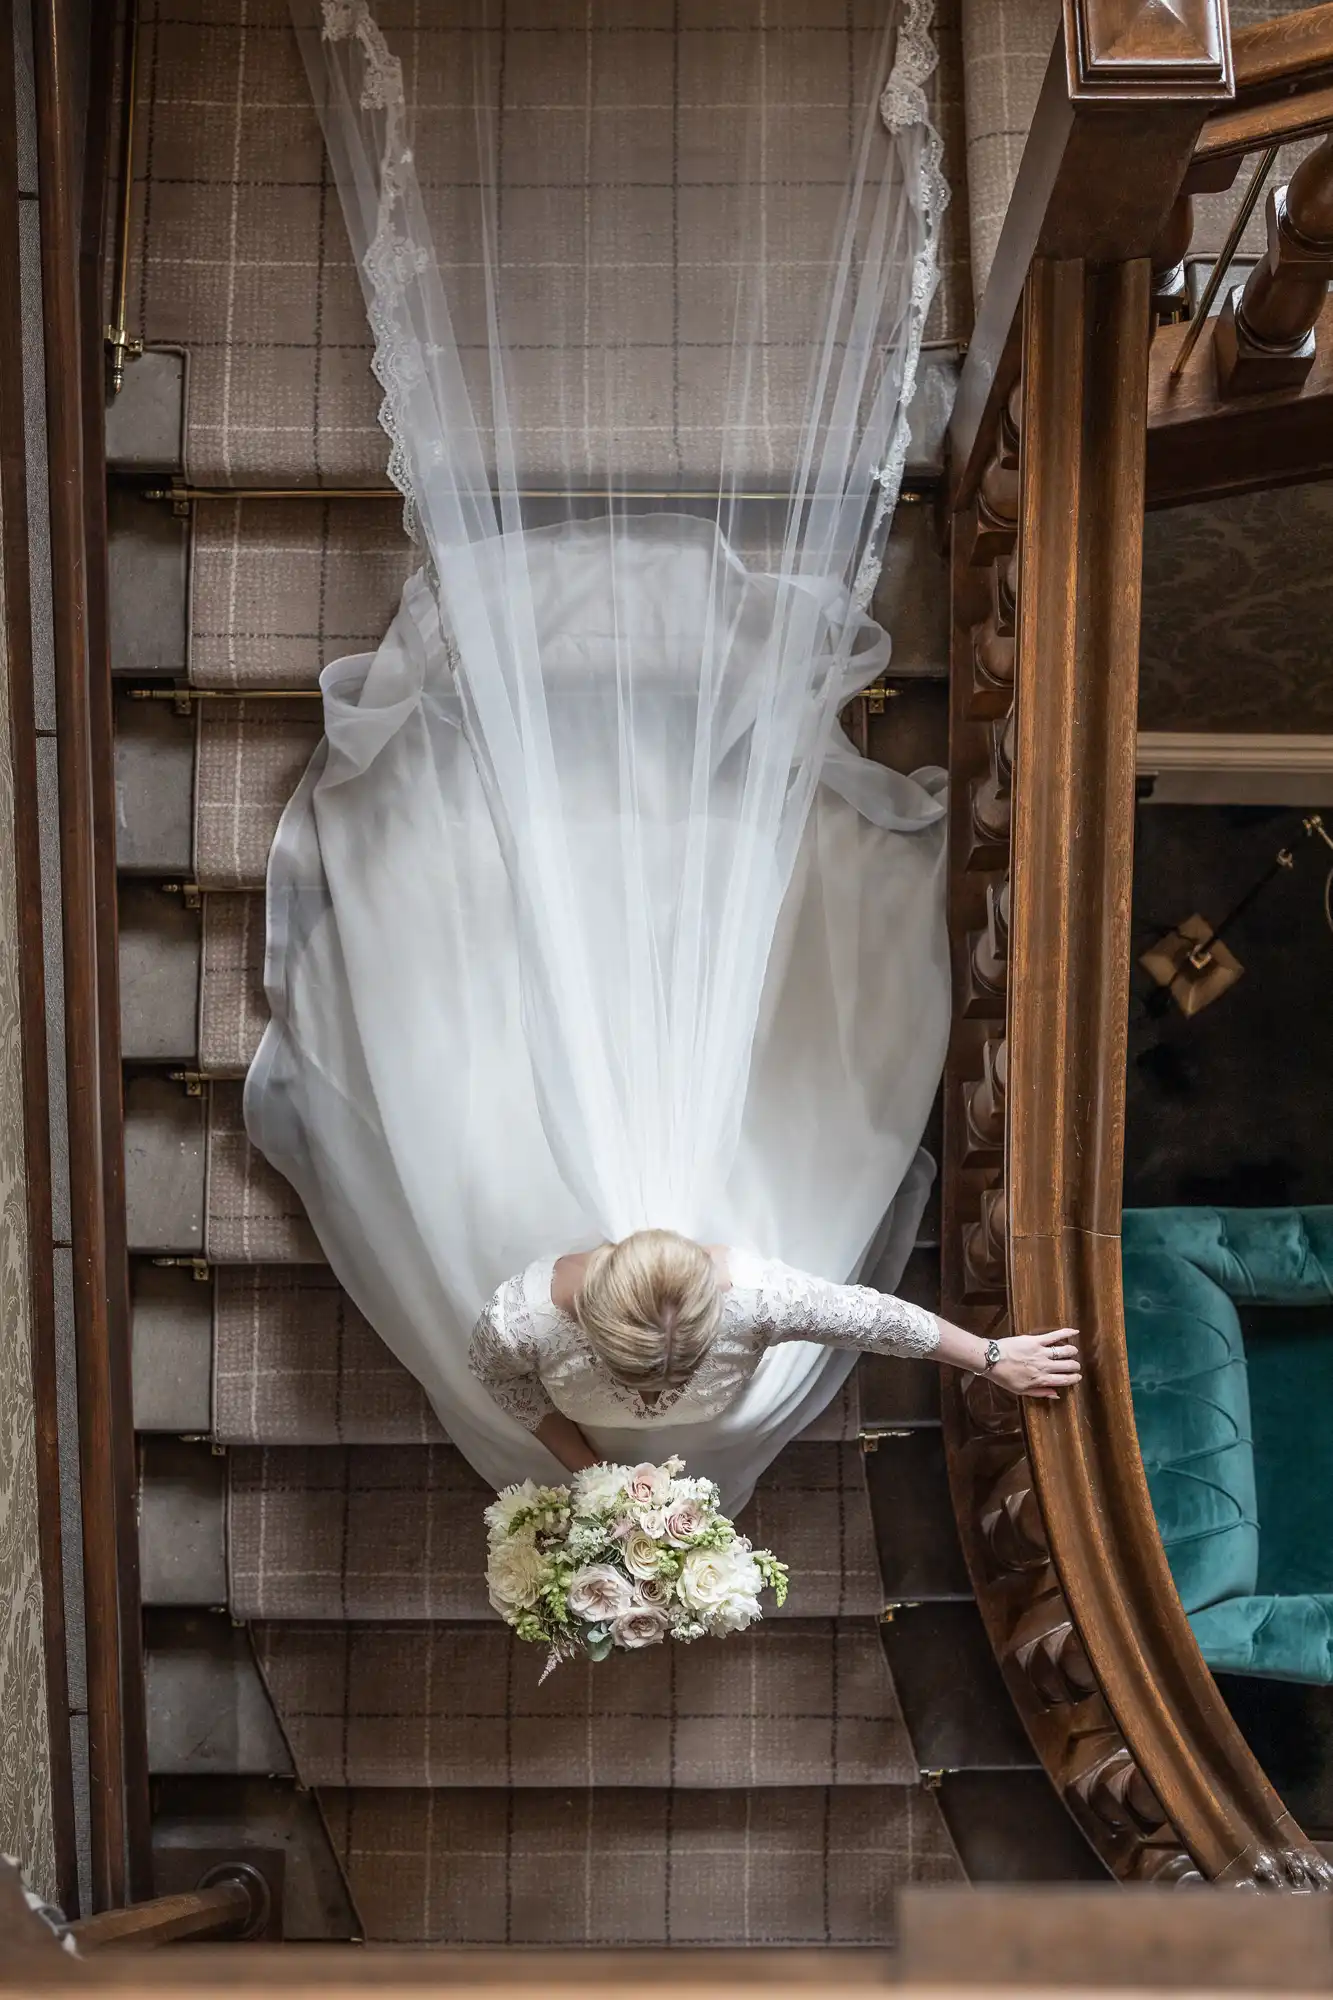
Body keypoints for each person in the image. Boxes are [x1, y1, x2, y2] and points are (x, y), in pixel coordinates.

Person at [246, 1, 1079, 1522]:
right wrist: (596, 1482)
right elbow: (851, 1323)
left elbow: (885, 1320)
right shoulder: (561, 1317)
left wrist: (989, 1357)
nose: (649, 1395)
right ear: (582, 1299)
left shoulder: (661, 1299)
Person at [469, 1230, 1079, 1501]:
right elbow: (500, 1378)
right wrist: (590, 1470)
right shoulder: (521, 1320)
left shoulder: (762, 1296)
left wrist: (993, 1357)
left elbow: (873, 1319)